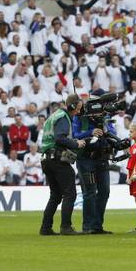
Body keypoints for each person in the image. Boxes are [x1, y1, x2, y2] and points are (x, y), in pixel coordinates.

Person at [39, 94, 86, 236]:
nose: (78, 112)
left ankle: (45, 228)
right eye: (77, 109)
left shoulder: (55, 115)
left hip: (46, 159)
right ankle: (66, 226)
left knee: (55, 195)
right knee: (70, 193)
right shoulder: (63, 118)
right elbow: (60, 137)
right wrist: (76, 143)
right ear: (72, 106)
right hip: (57, 159)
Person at [72, 104, 116, 234]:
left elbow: (114, 133)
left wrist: (107, 131)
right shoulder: (80, 118)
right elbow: (75, 134)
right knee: (90, 192)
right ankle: (88, 226)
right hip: (86, 159)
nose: (99, 114)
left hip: (102, 158)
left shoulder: (106, 117)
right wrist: (90, 132)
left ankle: (97, 226)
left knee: (105, 191)